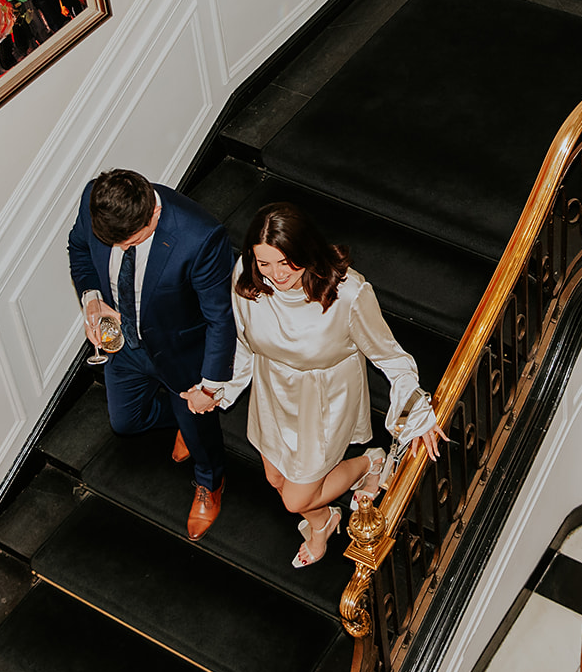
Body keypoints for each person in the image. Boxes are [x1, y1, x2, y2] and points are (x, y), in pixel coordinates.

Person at [222, 202, 446, 568]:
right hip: (272, 389)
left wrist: (418, 410)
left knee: (294, 498)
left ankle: (367, 463)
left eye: (286, 262)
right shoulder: (248, 276)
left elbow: (389, 355)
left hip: (322, 400)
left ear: (306, 250)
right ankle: (323, 521)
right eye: (264, 263)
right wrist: (226, 386)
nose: (276, 275)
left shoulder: (348, 294)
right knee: (276, 475)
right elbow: (243, 339)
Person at [67, 169, 236, 540]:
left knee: (200, 431)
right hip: (123, 347)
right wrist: (93, 299)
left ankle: (210, 482)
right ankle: (180, 423)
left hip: (181, 354)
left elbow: (221, 318)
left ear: (154, 216)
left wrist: (208, 387)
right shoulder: (93, 199)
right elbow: (78, 247)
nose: (123, 249)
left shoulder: (201, 236)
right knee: (125, 422)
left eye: (132, 242)